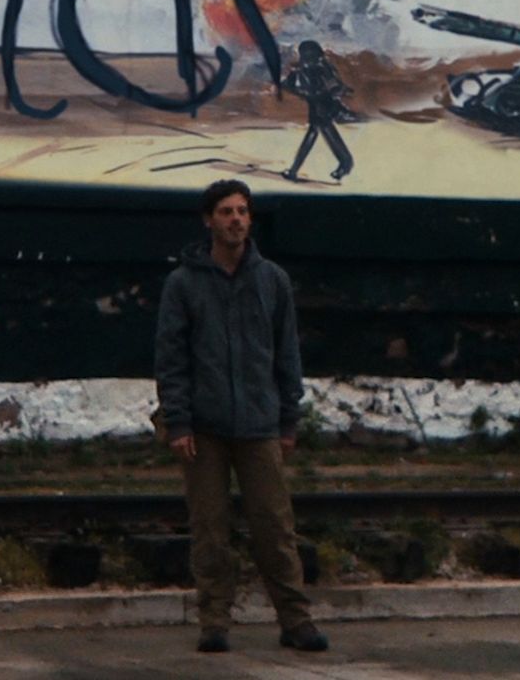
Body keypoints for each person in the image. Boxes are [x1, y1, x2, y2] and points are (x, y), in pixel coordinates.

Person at [154, 179, 328, 655]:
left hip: (259, 424)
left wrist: (288, 419)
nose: (236, 219)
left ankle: (296, 620)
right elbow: (171, 359)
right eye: (226, 211)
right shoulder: (183, 284)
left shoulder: (272, 280)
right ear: (208, 220)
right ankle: (214, 622)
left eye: (243, 211)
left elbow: (286, 353)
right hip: (204, 429)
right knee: (210, 531)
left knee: (275, 527)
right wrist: (179, 421)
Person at [281, 40, 356, 182]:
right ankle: (345, 163)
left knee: (316, 133)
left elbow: (335, 86)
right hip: (317, 105)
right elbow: (287, 85)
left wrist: (307, 93)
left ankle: (294, 170)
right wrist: (303, 93)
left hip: (323, 105)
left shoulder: (323, 67)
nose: (306, 58)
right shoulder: (302, 69)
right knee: (324, 133)